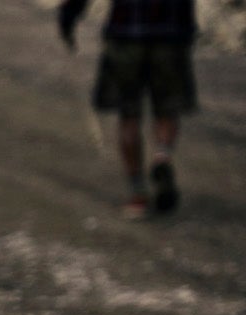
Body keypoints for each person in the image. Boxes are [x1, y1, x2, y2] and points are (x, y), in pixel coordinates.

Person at [58, 0, 199, 217]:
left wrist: (70, 14)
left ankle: (138, 195)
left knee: (129, 115)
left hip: (125, 35)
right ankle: (162, 157)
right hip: (171, 33)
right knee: (167, 109)